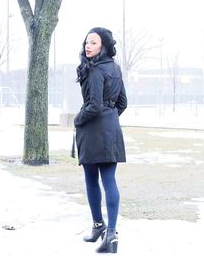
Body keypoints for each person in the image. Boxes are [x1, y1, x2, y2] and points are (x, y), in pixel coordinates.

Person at [72, 27, 127, 254]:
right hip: (111, 131)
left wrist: (77, 119)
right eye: (87, 42)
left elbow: (93, 105)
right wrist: (110, 118)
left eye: (93, 42)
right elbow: (123, 102)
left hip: (94, 132)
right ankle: (109, 233)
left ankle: (99, 226)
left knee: (92, 180)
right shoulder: (115, 69)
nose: (88, 46)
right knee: (109, 180)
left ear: (103, 46)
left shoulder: (94, 71)